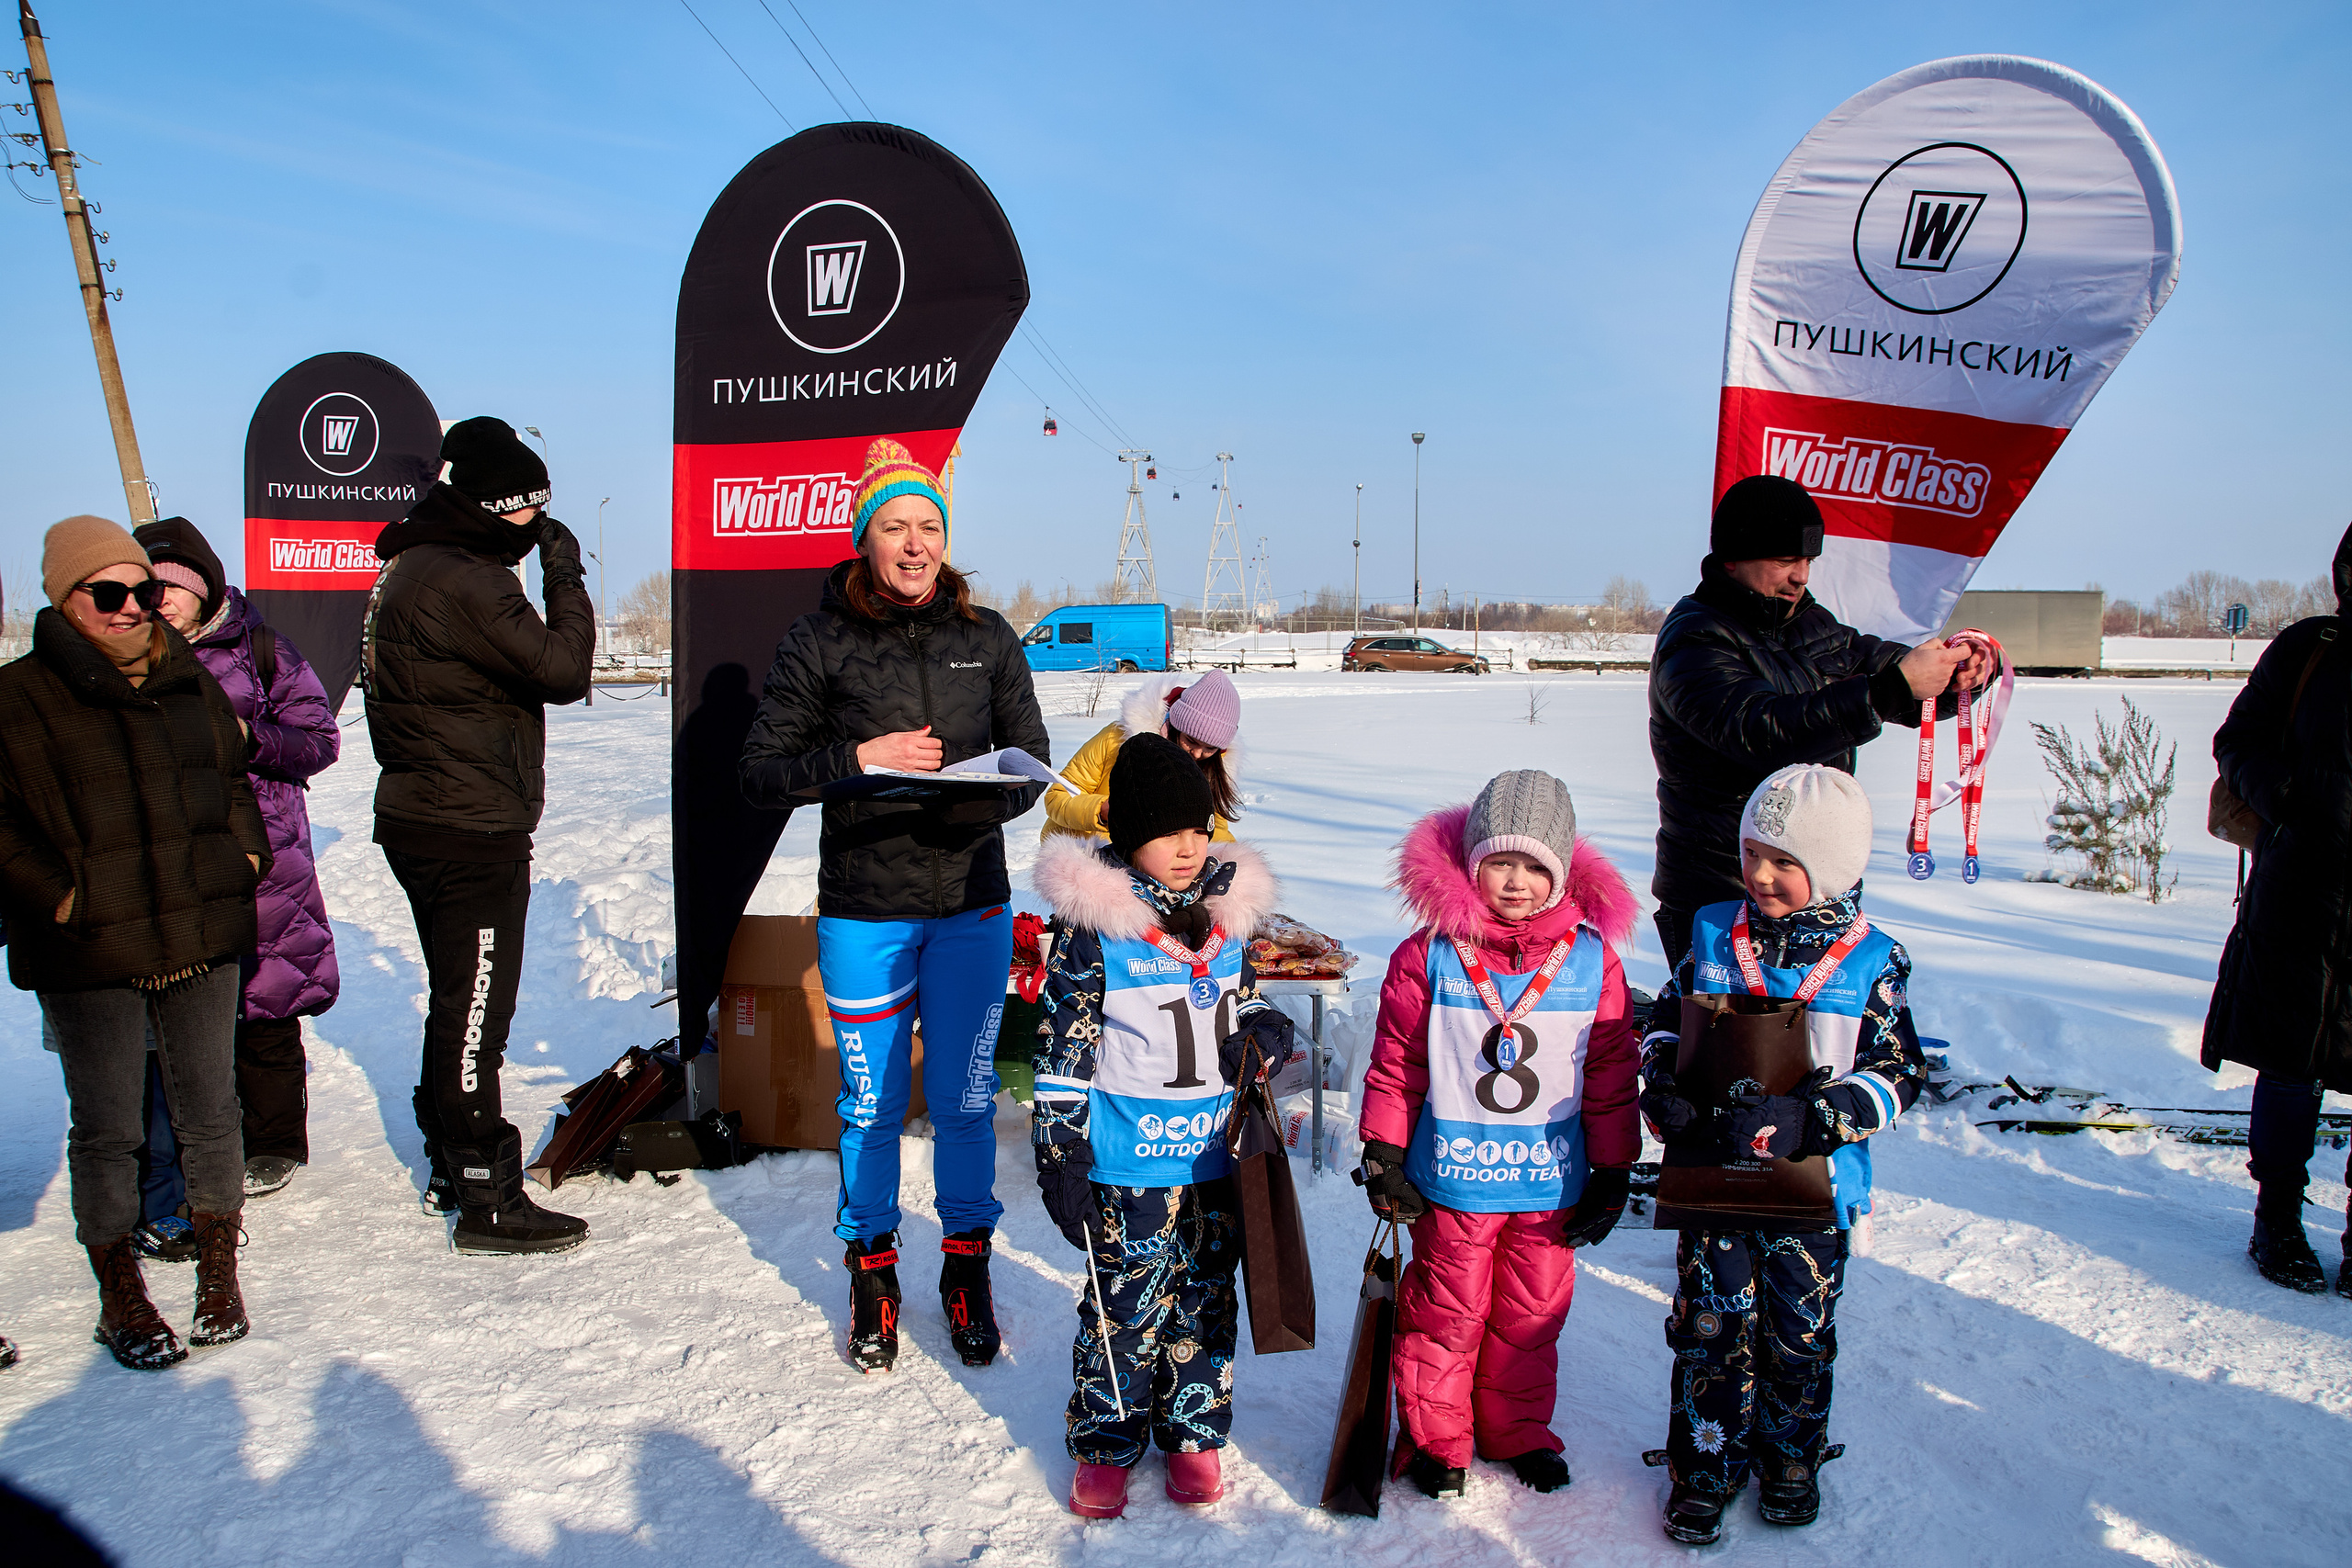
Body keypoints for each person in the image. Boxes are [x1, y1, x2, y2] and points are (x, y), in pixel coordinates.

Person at [740, 437, 1052, 1372]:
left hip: (970, 906)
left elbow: (1030, 756)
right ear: (864, 539)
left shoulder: (987, 636)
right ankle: (871, 1271)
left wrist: (986, 789)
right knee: (870, 1105)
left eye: (928, 525)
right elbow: (760, 775)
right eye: (894, 526)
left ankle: (966, 1268)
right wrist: (859, 761)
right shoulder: (819, 639)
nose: (914, 543)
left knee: (961, 1102)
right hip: (865, 911)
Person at [0, 517, 270, 1369]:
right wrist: (62, 896)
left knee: (209, 1107)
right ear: (63, 597)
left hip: (197, 922)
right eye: (107, 593)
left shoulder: (189, 681)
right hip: (92, 946)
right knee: (109, 1122)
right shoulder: (18, 698)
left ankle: (219, 1265)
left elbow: (232, 781)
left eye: (144, 591)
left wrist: (245, 855)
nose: (130, 609)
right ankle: (119, 1284)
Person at [1636, 764, 1926, 1544]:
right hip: (1716, 1180)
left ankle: (1790, 1455)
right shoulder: (1711, 931)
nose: (1760, 874)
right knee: (1711, 1325)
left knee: (1798, 1329)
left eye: (1784, 861)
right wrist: (1661, 1079)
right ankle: (1704, 1464)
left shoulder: (1872, 960)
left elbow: (1900, 1070)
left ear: (1829, 868)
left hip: (1813, 1189)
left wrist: (1820, 1115)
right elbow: (1670, 1016)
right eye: (1753, 853)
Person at [1356, 770, 1641, 1499]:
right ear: (1471, 862)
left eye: (1534, 865)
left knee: (1530, 1315)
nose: (1515, 881)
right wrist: (1385, 1148)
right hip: (1455, 1178)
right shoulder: (1430, 954)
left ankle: (1516, 1429)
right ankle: (1436, 1438)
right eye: (1500, 862)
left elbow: (1610, 1072)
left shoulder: (1591, 959)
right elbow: (1399, 1062)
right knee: (1444, 1313)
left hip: (1548, 1183)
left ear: (1563, 870)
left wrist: (1613, 1169)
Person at [1028, 733, 1292, 1519]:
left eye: (1198, 829)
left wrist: (1263, 1024)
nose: (1187, 847)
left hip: (1214, 1159)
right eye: (1166, 831)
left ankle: (1193, 1429)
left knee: (1205, 1302)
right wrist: (1059, 1153)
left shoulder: (1225, 914)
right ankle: (1106, 1442)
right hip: (1126, 1164)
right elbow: (1065, 1048)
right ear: (1127, 836)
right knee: (1122, 1308)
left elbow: (1239, 998)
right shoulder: (1096, 928)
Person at [364, 417, 594, 1254]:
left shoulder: (409, 564)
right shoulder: (467, 578)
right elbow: (564, 670)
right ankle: (485, 1195)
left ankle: (447, 1163)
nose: (538, 531)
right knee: (475, 1016)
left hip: (427, 815)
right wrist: (565, 575)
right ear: (505, 509)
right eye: (533, 516)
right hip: (469, 827)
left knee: (456, 1000)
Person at [1648, 475, 1989, 967]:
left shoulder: (1806, 621)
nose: (1801, 576)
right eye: (1785, 561)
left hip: (1810, 890)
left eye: (1808, 560)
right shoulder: (1696, 639)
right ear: (1732, 558)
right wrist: (1895, 687)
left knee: (1817, 1039)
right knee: (1733, 1043)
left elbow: (1883, 668)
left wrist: (1958, 673)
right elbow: (1760, 732)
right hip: (1723, 893)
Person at [138, 516, 341, 1200]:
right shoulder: (127, 656)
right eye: (149, 585)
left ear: (205, 588)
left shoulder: (260, 648)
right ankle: (194, 1144)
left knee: (266, 999)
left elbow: (318, 738)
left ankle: (277, 1139)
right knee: (184, 1010)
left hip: (265, 852)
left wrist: (249, 734)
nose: (162, 598)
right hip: (170, 856)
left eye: (176, 585)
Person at [2203, 520, 2352, 1297]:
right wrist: (2284, 801)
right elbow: (2240, 738)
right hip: (2300, 894)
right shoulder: (2312, 647)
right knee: (2292, 1068)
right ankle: (2278, 1218)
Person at [1040, 671, 1242, 843]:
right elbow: (1057, 797)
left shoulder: (1213, 766)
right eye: (1191, 741)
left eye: (1210, 747)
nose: (1198, 754)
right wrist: (1101, 811)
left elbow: (1215, 830)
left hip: (1150, 871)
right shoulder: (1117, 739)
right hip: (1086, 858)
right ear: (1174, 725)